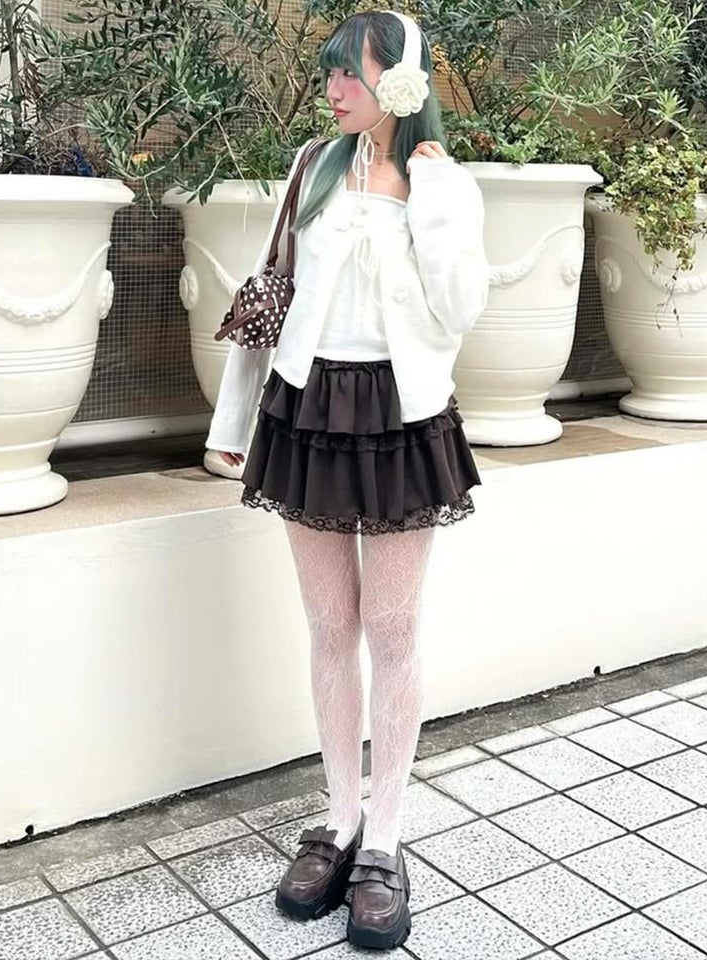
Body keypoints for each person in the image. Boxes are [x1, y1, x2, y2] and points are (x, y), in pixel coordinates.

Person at [206, 8, 489, 951]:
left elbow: (460, 307)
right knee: (331, 625)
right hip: (308, 409)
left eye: (352, 75)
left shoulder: (442, 183)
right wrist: (232, 426)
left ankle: (387, 837)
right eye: (330, 72)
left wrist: (431, 196)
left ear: (401, 85)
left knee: (393, 628)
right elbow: (268, 293)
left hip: (402, 415)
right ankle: (338, 818)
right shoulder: (312, 167)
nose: (332, 90)